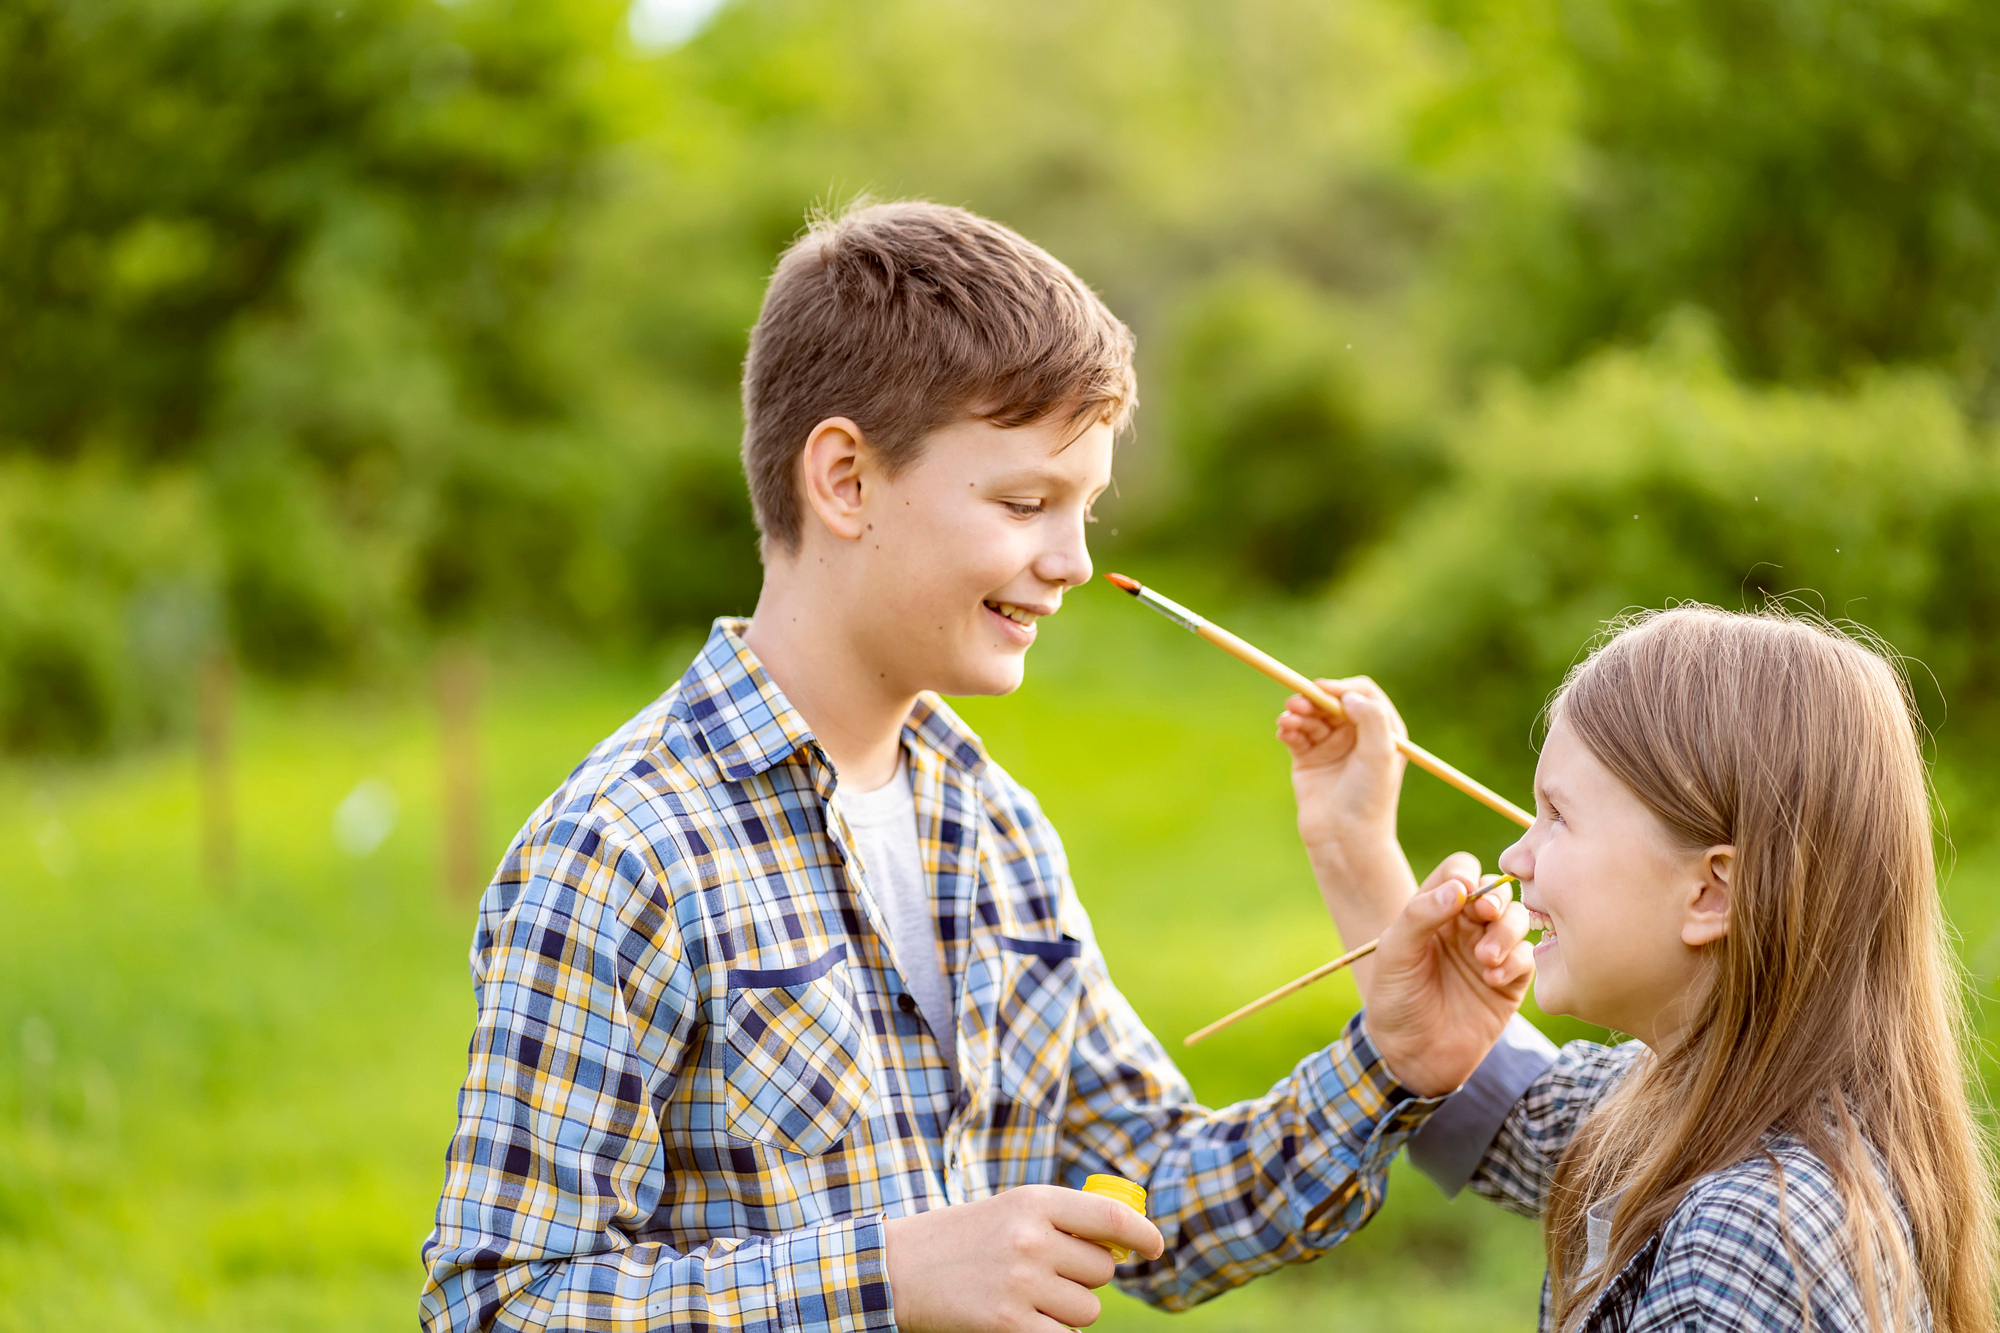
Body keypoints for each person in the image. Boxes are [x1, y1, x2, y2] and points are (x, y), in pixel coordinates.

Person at [417, 199, 1541, 1332]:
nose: (1069, 561)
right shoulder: (621, 851)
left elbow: (1148, 1193)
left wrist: (1391, 1059)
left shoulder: (987, 824)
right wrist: (890, 1277)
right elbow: (497, 1300)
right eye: (1023, 503)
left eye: (1086, 510)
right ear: (845, 480)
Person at [1280, 605, 1998, 1331]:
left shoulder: (1751, 1236)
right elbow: (1481, 1095)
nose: (1514, 857)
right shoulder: (1689, 1106)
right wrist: (1350, 841)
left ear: (1712, 891)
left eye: (1557, 816)